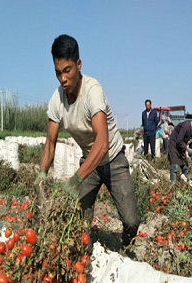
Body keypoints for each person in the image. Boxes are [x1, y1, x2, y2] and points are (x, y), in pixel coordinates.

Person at [34, 34, 139, 251]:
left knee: (131, 221)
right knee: (78, 217)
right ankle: (84, 256)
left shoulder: (93, 91)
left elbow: (102, 143)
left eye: (67, 70)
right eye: (58, 72)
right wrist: (42, 174)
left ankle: (126, 250)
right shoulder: (57, 99)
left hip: (112, 159)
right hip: (89, 163)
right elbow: (50, 143)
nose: (63, 78)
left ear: (79, 65)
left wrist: (76, 179)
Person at [168, 115, 192, 182]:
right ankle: (172, 183)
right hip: (174, 144)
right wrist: (187, 149)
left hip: (181, 145)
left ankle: (185, 183)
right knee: (175, 165)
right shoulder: (186, 126)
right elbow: (179, 141)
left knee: (185, 166)